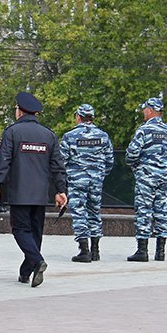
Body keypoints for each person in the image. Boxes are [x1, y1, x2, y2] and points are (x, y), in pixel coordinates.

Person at [0, 91, 67, 287]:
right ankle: (26, 272)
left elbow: (3, 161)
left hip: (19, 192)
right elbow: (58, 165)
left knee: (20, 230)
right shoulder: (48, 134)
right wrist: (61, 190)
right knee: (35, 232)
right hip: (40, 193)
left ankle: (37, 261)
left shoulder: (12, 132)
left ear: (20, 111)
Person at [124, 97, 167, 262]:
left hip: (146, 178)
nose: (143, 112)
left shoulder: (144, 130)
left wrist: (137, 168)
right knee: (161, 212)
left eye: (144, 109)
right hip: (163, 177)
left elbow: (131, 155)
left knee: (144, 211)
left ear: (150, 110)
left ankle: (142, 251)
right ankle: (160, 252)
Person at [59, 104, 114, 262]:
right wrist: (100, 175)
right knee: (94, 212)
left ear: (78, 117)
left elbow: (62, 160)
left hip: (77, 180)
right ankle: (95, 251)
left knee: (79, 213)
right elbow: (110, 160)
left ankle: (84, 250)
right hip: (96, 180)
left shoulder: (70, 136)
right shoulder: (103, 136)